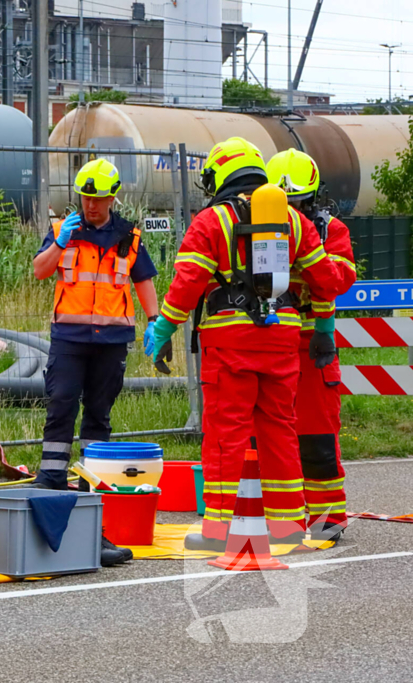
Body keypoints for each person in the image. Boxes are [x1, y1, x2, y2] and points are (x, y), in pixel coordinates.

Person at [147, 137, 347, 551]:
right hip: (283, 338)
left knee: (226, 432)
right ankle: (289, 527)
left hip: (230, 341)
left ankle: (218, 532)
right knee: (280, 431)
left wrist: (164, 328)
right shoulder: (293, 220)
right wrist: (321, 320)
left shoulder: (211, 221)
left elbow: (187, 285)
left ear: (220, 175)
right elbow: (328, 279)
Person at [32, 158, 160, 567]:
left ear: (112, 197)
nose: (91, 206)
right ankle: (51, 482)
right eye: (86, 197)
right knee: (61, 404)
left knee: (99, 416)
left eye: (99, 198)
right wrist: (60, 244)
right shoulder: (61, 231)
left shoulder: (129, 236)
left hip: (112, 341)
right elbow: (39, 271)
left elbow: (143, 282)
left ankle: (91, 482)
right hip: (69, 338)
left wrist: (156, 322)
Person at [265, 149, 357, 542]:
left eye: (299, 203)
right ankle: (275, 516)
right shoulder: (258, 229)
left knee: (318, 433)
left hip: (312, 344)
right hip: (269, 340)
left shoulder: (329, 229)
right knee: (268, 433)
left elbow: (341, 277)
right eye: (286, 205)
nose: (294, 213)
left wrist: (310, 260)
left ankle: (327, 518)